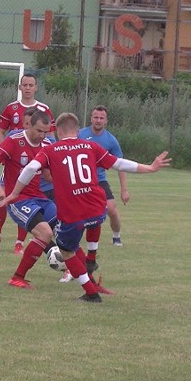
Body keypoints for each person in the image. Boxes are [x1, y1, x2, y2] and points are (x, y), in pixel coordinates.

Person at [0, 112, 170, 303]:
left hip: (73, 211)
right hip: (97, 208)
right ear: (78, 131)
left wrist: (13, 193)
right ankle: (91, 263)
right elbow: (119, 163)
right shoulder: (91, 146)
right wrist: (150, 167)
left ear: (58, 132)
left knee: (66, 249)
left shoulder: (51, 149)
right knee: (74, 240)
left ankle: (90, 292)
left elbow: (31, 169)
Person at [0, 110, 58, 290]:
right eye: (39, 131)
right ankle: (17, 277)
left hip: (39, 197)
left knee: (65, 228)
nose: (42, 136)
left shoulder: (47, 144)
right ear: (29, 125)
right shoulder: (13, 141)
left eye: (46, 132)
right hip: (18, 200)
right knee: (45, 233)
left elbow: (48, 176)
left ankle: (79, 273)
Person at [60, 105, 127, 283]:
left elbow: (120, 164)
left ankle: (116, 236)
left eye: (101, 118)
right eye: (95, 117)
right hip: (79, 182)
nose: (98, 120)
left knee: (111, 209)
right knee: (78, 218)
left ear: (106, 120)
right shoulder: (80, 134)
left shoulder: (111, 140)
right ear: (91, 118)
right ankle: (74, 263)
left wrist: (124, 189)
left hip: (99, 180)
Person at [0, 73, 55, 254]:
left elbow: (51, 136)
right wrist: (7, 152)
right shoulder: (11, 108)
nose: (27, 88)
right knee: (3, 198)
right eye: (24, 85)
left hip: (36, 163)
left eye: (30, 85)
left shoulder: (44, 109)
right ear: (20, 87)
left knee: (30, 201)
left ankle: (20, 242)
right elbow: (0, 133)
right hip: (14, 161)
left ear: (36, 88)